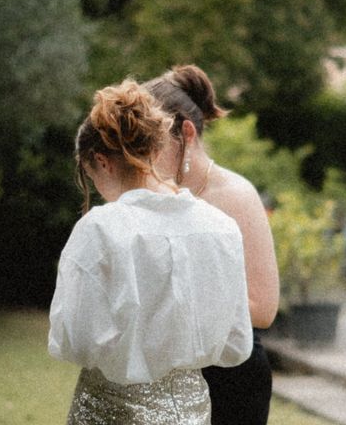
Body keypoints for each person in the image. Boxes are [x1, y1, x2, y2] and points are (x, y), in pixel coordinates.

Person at [48, 79, 253, 424]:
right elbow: (237, 342)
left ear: (101, 161)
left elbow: (75, 340)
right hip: (192, 407)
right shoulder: (221, 227)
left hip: (112, 408)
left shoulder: (101, 228)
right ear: (155, 150)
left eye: (91, 175)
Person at [144, 65, 280, 425]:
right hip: (160, 374)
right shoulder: (145, 197)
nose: (139, 160)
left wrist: (173, 298)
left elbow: (263, 308)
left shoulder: (237, 195)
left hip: (230, 376)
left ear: (185, 134)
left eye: (148, 145)